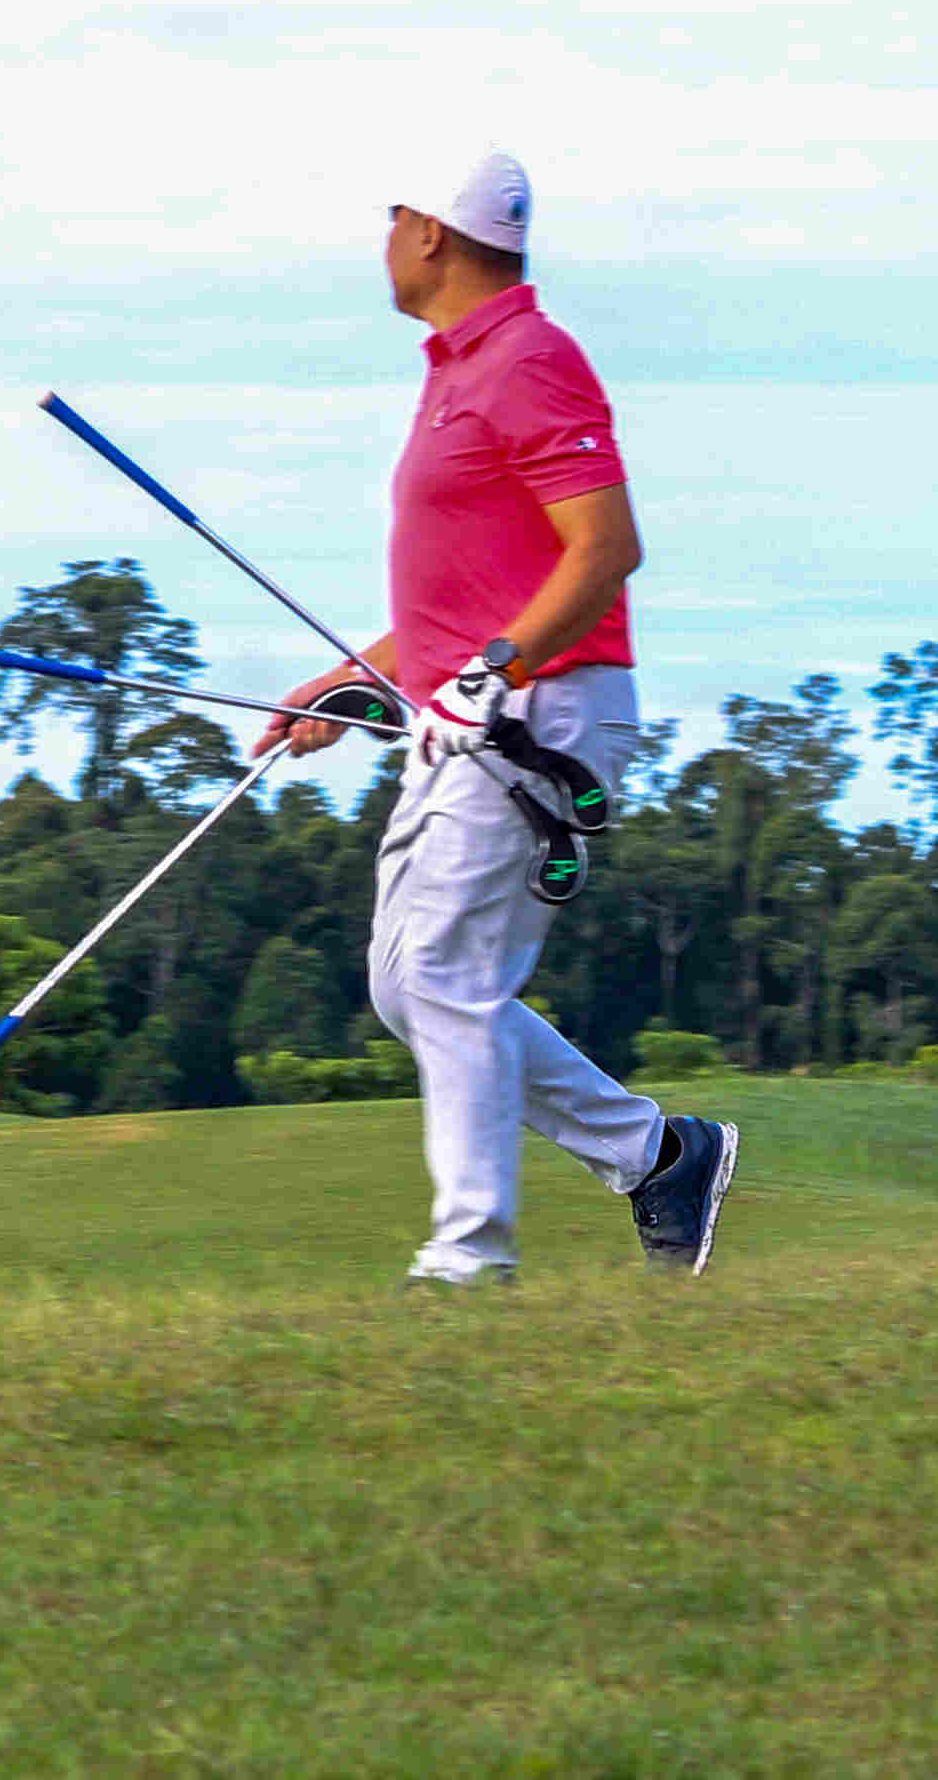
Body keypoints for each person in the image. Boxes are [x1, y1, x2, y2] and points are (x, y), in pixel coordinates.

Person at [257, 150, 740, 1286]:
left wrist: (496, 669)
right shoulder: (457, 370)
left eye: (393, 216)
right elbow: (460, 607)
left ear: (432, 231)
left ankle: (469, 1260)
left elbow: (606, 550)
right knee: (407, 984)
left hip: (539, 714)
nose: (384, 238)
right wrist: (351, 681)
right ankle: (658, 1155)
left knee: (444, 975)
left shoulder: (530, 359)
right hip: (471, 712)